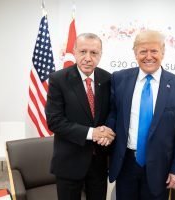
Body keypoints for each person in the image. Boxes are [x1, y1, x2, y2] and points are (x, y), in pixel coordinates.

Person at [107, 30, 175, 200]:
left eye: (154, 51)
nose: (148, 56)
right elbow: (113, 114)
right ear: (135, 53)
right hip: (126, 163)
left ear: (163, 52)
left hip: (160, 166)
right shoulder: (119, 79)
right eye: (143, 51)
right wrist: (106, 130)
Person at [45, 33, 115, 200]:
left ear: (100, 55)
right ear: (74, 52)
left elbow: (111, 113)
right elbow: (55, 121)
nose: (88, 58)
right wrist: (93, 133)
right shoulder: (58, 79)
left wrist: (107, 131)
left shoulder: (108, 79)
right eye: (83, 51)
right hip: (69, 163)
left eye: (94, 53)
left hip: (98, 163)